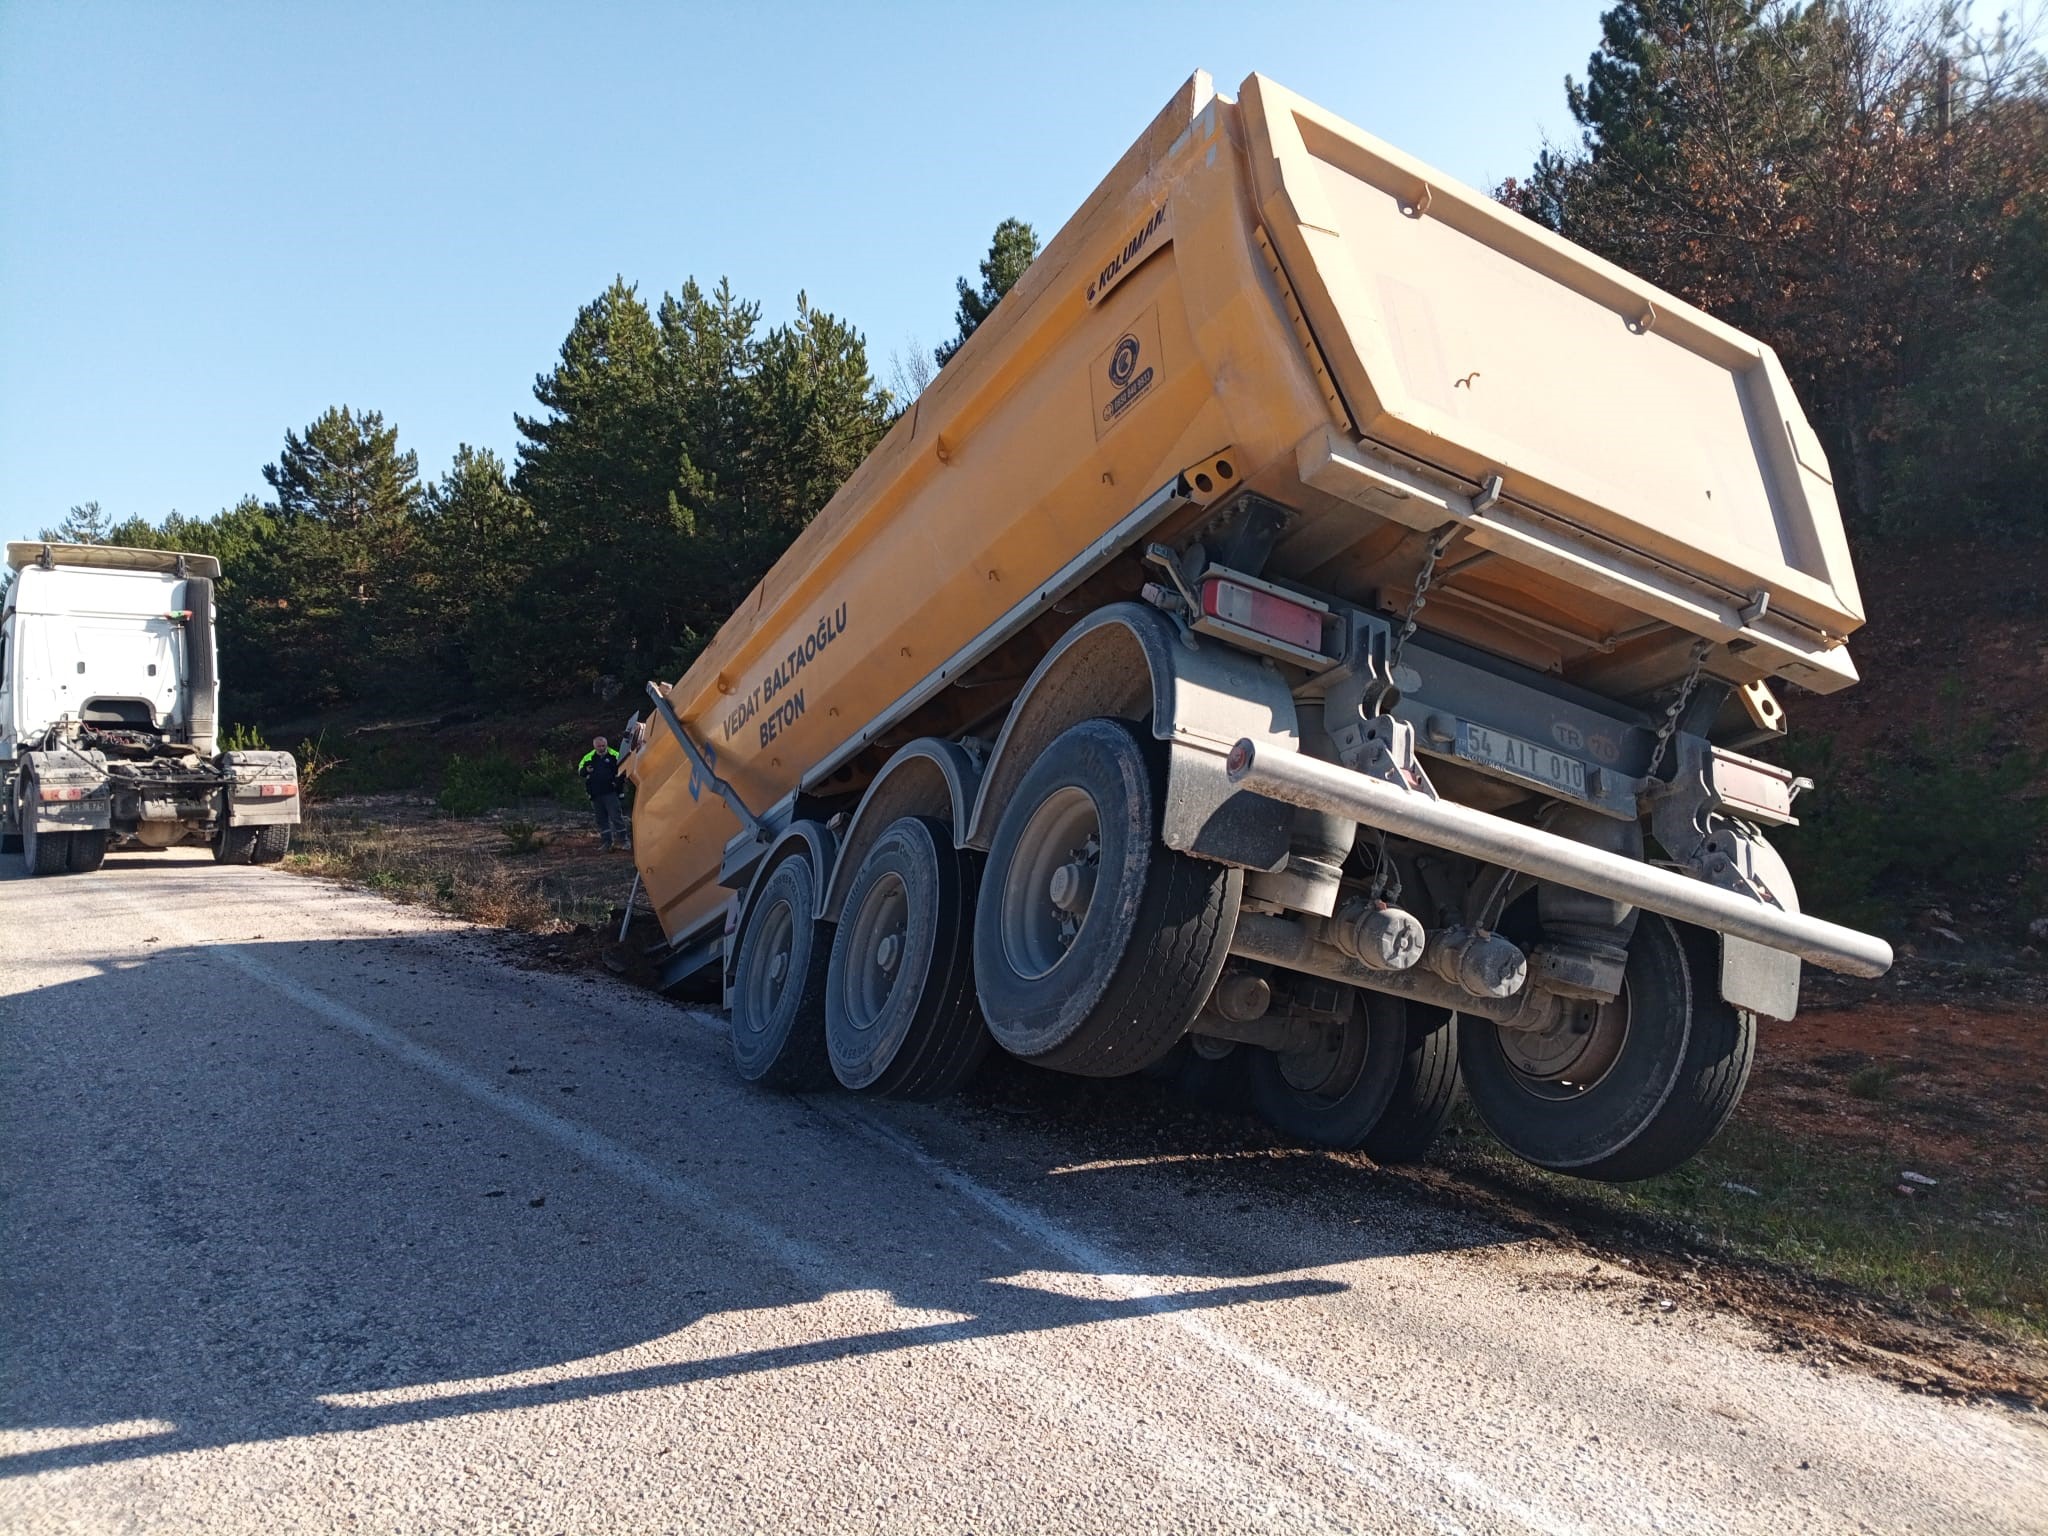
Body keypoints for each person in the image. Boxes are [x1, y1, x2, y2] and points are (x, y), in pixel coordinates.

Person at [578, 735, 630, 852]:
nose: (601, 748)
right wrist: (586, 770)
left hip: (610, 792)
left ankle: (624, 841)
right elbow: (580, 770)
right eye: (599, 746)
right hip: (595, 794)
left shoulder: (615, 755)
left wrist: (618, 785)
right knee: (601, 819)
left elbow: (624, 770)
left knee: (616, 817)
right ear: (594, 746)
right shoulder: (588, 757)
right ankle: (607, 842)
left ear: (606, 745)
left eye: (603, 746)